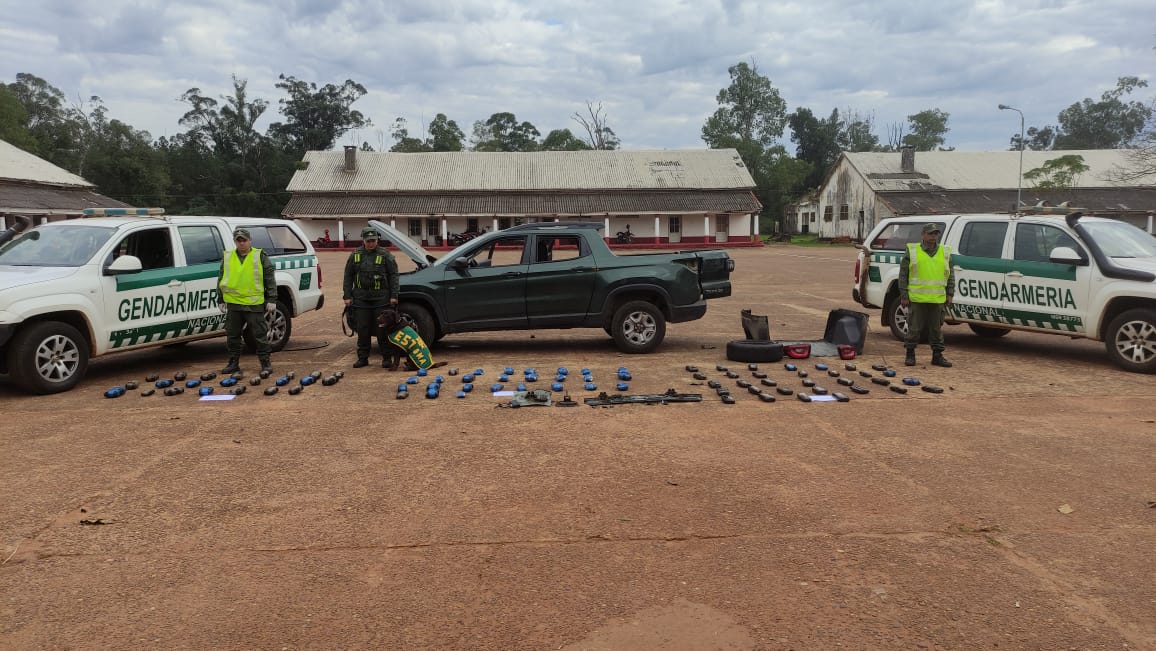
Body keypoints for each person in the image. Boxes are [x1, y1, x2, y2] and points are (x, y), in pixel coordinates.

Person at [218, 228, 277, 374]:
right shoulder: (228, 256)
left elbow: (269, 278)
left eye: (244, 240)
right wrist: (220, 298)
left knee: (260, 335)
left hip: (254, 303)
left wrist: (272, 299)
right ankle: (233, 363)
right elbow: (221, 278)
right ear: (235, 241)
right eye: (239, 240)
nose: (242, 243)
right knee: (232, 335)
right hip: (234, 303)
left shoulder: (259, 256)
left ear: (250, 240)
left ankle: (265, 363)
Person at [899, 223, 955, 367]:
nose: (933, 237)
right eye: (930, 234)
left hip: (937, 299)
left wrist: (950, 293)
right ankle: (910, 354)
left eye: (935, 234)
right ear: (923, 235)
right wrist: (904, 295)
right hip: (917, 299)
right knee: (914, 329)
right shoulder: (912, 251)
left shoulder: (945, 252)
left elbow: (950, 274)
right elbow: (903, 275)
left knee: (936, 329)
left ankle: (937, 356)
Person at [344, 227, 399, 368]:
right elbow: (348, 276)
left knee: (382, 329)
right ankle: (363, 358)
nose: (371, 243)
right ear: (363, 240)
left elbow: (393, 275)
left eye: (373, 240)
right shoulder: (355, 254)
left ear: (377, 240)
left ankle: (386, 358)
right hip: (361, 298)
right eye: (368, 241)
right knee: (363, 329)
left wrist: (394, 295)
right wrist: (347, 295)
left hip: (381, 298)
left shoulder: (385, 255)